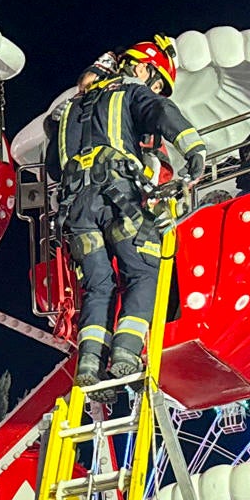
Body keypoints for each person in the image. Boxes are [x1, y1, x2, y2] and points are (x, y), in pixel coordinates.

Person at [46, 34, 210, 388]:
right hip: (118, 201)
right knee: (143, 272)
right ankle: (126, 352)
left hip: (77, 214)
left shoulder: (69, 113)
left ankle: (89, 361)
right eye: (155, 82)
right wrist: (195, 151)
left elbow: (54, 168)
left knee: (99, 286)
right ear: (141, 67)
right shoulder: (131, 94)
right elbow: (161, 113)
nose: (153, 89)